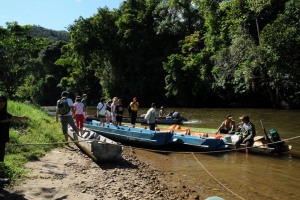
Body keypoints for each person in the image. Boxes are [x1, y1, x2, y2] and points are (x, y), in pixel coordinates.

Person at [0, 94, 29, 163]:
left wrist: (22, 117)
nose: (1, 103)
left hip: (2, 138)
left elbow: (12, 117)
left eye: (3, 101)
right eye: (0, 101)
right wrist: (8, 120)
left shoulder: (4, 113)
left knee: (1, 158)